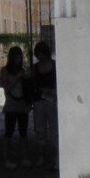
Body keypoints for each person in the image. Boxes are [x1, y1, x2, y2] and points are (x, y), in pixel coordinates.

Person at [29, 39, 58, 169]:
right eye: (37, 53)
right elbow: (32, 84)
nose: (39, 56)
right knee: (39, 129)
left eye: (41, 53)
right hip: (39, 99)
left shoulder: (55, 65)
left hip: (52, 99)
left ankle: (55, 157)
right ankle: (42, 156)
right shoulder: (35, 68)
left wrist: (53, 91)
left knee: (54, 129)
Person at [0, 45, 30, 167]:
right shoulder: (5, 71)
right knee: (9, 132)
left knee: (23, 133)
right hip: (11, 105)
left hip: (22, 106)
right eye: (17, 57)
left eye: (20, 56)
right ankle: (7, 159)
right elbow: (7, 88)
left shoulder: (22, 71)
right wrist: (17, 78)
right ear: (12, 58)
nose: (19, 59)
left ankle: (24, 157)